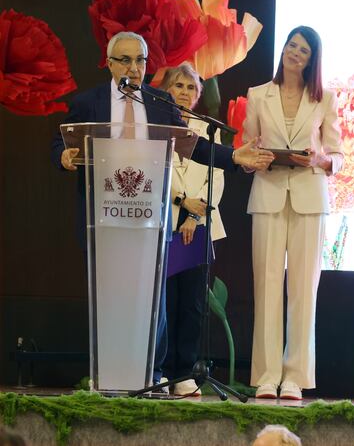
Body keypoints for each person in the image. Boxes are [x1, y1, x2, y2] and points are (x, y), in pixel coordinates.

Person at [51, 31, 274, 387]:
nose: (134, 67)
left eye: (140, 60)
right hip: (102, 220)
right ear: (109, 64)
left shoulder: (159, 102)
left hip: (149, 219)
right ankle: (106, 376)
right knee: (110, 301)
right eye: (125, 60)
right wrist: (63, 158)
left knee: (151, 305)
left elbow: (192, 147)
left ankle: (151, 375)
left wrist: (233, 156)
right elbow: (59, 142)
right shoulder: (88, 103)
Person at [243, 26, 343, 400]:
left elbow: (339, 156)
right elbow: (247, 147)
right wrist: (257, 159)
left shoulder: (325, 99)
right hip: (268, 192)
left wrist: (319, 159)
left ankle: (295, 377)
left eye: (304, 49)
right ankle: (267, 375)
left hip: (309, 196)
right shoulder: (257, 95)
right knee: (266, 286)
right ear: (283, 49)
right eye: (291, 45)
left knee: (304, 290)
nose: (295, 52)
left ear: (312, 59)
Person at [158, 63, 226, 396]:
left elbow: (218, 177)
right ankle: (163, 371)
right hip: (166, 221)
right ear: (166, 89)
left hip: (199, 226)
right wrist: (182, 202)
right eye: (178, 85)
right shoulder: (157, 127)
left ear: (198, 95)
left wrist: (196, 214)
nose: (184, 92)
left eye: (190, 88)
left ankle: (184, 372)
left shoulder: (206, 129)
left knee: (193, 304)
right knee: (166, 303)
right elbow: (153, 173)